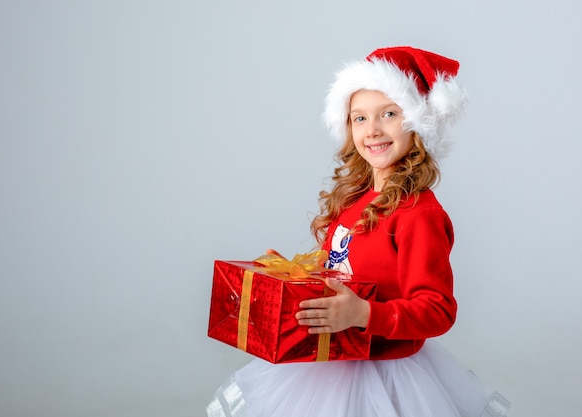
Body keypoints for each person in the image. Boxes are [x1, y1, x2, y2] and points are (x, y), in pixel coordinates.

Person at [207, 46, 511, 417]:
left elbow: (437, 310)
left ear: (417, 123)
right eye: (359, 118)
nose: (373, 130)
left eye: (389, 114)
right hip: (332, 362)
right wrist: (293, 278)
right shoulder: (356, 201)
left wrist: (365, 314)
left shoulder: (418, 214)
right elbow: (341, 271)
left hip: (387, 376)